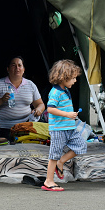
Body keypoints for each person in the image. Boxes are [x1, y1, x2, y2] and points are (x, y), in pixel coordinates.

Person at [42, 59, 87, 192]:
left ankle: (61, 162)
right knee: (53, 154)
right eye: (73, 78)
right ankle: (48, 181)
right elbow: (50, 109)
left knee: (81, 145)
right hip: (59, 129)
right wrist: (67, 115)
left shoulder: (65, 90)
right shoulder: (55, 92)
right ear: (64, 77)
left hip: (69, 128)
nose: (74, 81)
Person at [0, 56, 45, 140]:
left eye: (20, 65)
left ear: (23, 69)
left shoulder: (30, 85)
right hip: (4, 128)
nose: (17, 68)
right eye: (13, 65)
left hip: (26, 127)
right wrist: (1, 100)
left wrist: (38, 110)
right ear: (8, 69)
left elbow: (40, 104)